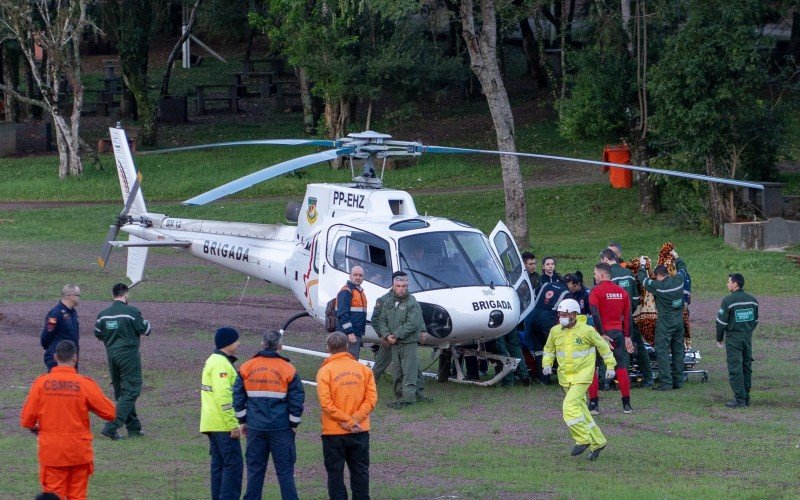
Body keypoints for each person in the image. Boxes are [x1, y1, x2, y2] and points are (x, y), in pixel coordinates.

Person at [20, 340, 116, 499]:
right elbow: (110, 412)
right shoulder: (84, 384)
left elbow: (27, 420)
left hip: (52, 453)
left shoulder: (41, 383)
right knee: (77, 496)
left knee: (53, 496)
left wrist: (36, 430)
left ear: (56, 357)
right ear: (75, 358)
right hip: (78, 451)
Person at [234, 329, 305, 500]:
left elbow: (238, 395)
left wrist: (242, 420)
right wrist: (293, 424)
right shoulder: (288, 368)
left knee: (254, 471)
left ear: (262, 344)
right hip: (281, 428)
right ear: (280, 346)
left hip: (255, 428)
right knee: (285, 472)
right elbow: (297, 399)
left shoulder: (247, 366)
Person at [541, 299, 616, 461]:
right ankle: (598, 441)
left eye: (565, 314)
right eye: (560, 314)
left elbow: (603, 346)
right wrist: (546, 364)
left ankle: (583, 438)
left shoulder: (587, 330)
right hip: (565, 378)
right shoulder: (555, 331)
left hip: (582, 376)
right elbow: (548, 349)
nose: (562, 317)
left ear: (574, 315)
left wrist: (610, 366)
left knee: (569, 406)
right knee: (581, 411)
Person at [316, 332, 378, 500]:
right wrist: (355, 420)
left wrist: (347, 421)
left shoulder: (325, 371)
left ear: (329, 348)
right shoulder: (364, 370)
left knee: (335, 476)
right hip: (360, 431)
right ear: (347, 346)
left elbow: (326, 404)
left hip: (333, 433)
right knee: (360, 472)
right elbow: (371, 399)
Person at [94, 282, 152, 439]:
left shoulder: (103, 314)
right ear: (126, 294)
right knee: (132, 389)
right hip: (129, 355)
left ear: (113, 295)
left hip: (112, 355)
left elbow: (98, 333)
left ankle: (134, 427)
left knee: (122, 392)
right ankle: (111, 426)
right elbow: (145, 329)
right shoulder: (131, 312)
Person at [201, 327, 243, 500]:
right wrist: (233, 423)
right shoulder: (221, 364)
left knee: (218, 466)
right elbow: (223, 396)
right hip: (222, 425)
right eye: (236, 341)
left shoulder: (215, 360)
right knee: (233, 466)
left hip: (212, 423)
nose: (239, 344)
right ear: (228, 343)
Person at [600, 248, 653, 387]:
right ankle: (648, 378)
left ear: (605, 260)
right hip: (629, 316)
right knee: (639, 347)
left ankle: (609, 381)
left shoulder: (607, 275)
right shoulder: (628, 272)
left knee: (611, 347)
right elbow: (636, 297)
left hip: (614, 320)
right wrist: (629, 311)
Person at [587, 263, 635, 414]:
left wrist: (601, 334)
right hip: (618, 333)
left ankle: (594, 404)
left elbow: (595, 313)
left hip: (600, 333)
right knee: (620, 365)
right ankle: (626, 404)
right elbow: (627, 316)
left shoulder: (595, 291)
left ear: (602, 275)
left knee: (592, 368)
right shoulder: (622, 292)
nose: (594, 276)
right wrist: (627, 336)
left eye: (595, 273)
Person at [637, 251, 687, 391]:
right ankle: (678, 380)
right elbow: (683, 269)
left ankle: (666, 382)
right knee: (678, 350)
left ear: (659, 276)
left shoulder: (659, 286)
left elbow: (643, 279)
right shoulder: (678, 280)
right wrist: (676, 257)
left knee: (662, 350)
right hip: (679, 321)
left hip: (665, 323)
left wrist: (642, 266)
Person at [375, 271, 423, 408]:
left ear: (407, 286)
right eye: (398, 286)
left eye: (403, 286)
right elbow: (382, 320)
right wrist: (386, 335)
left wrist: (395, 335)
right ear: (393, 286)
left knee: (409, 372)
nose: (401, 288)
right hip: (394, 344)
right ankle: (400, 398)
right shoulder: (388, 302)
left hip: (408, 343)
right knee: (397, 372)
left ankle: (408, 400)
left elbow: (412, 324)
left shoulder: (412, 303)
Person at [716, 273, 759, 408]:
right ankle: (746, 397)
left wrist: (719, 338)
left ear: (735, 284)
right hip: (747, 337)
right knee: (746, 366)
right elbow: (755, 320)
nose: (727, 284)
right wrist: (747, 331)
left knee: (735, 367)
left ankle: (739, 400)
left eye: (729, 282)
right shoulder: (752, 300)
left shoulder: (728, 301)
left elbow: (721, 322)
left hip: (733, 339)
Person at [528, 279, 571, 383]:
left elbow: (530, 293)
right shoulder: (566, 292)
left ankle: (543, 378)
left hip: (533, 316)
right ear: (570, 283)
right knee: (557, 347)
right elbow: (567, 312)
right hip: (547, 320)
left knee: (539, 350)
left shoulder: (546, 284)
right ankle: (565, 377)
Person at [40, 284, 81, 372]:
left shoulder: (73, 313)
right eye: (78, 296)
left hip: (71, 358)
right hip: (58, 360)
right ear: (71, 296)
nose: (79, 298)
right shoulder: (56, 313)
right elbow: (46, 336)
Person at [337, 266, 368, 359]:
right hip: (348, 336)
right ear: (350, 276)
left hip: (355, 334)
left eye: (360, 275)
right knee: (349, 361)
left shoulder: (359, 292)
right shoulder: (347, 291)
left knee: (352, 361)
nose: (358, 277)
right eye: (355, 275)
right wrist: (350, 333)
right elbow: (342, 314)